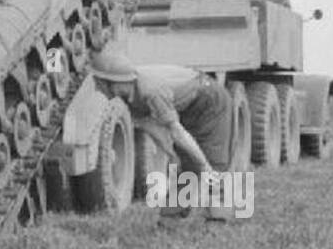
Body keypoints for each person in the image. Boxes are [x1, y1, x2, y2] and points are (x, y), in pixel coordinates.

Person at [92, 43, 234, 177]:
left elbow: (177, 132)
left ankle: (219, 195)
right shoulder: (128, 97)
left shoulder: (150, 92)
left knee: (212, 167)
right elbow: (152, 128)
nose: (97, 89)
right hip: (187, 107)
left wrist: (204, 166)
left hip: (209, 101)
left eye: (100, 83)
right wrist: (172, 155)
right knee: (187, 168)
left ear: (115, 82)